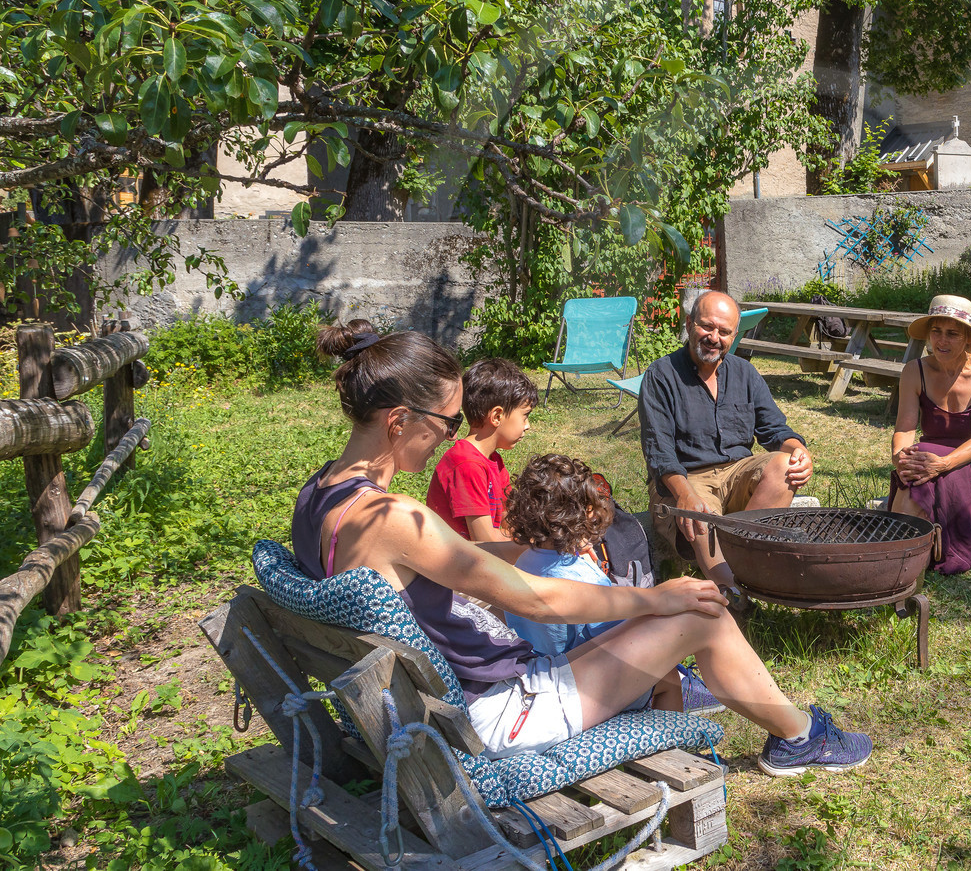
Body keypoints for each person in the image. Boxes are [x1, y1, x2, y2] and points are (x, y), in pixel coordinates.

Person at [293, 318, 870, 776]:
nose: (449, 436)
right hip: (496, 715)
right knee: (703, 614)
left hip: (443, 705)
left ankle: (756, 715)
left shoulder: (320, 496)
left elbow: (466, 562)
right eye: (446, 424)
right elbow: (536, 603)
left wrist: (541, 558)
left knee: (662, 613)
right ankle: (799, 737)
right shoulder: (392, 516)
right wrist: (653, 599)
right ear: (399, 421)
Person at [500, 453, 721, 715]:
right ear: (586, 513)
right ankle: (668, 735)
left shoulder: (525, 561)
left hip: (540, 669)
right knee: (667, 678)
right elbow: (616, 634)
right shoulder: (582, 576)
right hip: (581, 684)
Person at [639, 290, 814, 593]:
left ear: (734, 335)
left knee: (785, 464)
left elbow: (775, 430)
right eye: (707, 326)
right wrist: (685, 495)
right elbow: (660, 452)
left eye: (724, 331)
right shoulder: (661, 375)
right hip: (685, 478)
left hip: (736, 474)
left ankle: (746, 565)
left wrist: (799, 451)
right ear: (690, 322)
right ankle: (736, 595)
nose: (714, 337)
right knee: (701, 513)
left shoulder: (745, 373)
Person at [887, 295, 971, 575]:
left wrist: (942, 464)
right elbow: (905, 428)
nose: (941, 341)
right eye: (936, 332)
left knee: (921, 478)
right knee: (912, 473)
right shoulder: (915, 370)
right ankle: (900, 558)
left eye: (952, 334)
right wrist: (900, 457)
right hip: (930, 453)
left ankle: (898, 559)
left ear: (968, 338)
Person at [425, 357, 536, 542]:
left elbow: (509, 519)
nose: (527, 426)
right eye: (525, 416)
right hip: (457, 563)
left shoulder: (493, 460)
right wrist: (533, 543)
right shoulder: (466, 464)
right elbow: (484, 542)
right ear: (497, 416)